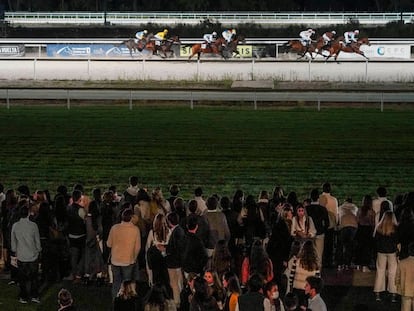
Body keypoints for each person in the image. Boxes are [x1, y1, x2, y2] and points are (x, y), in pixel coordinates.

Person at [107, 208, 141, 299]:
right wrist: (134, 258)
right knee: (127, 284)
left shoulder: (114, 228)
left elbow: (108, 244)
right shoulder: (135, 229)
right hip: (128, 261)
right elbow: (138, 247)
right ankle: (126, 303)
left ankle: (115, 302)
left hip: (115, 260)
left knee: (116, 283)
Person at [11, 204, 42, 304]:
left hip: (21, 255)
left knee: (22, 278)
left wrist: (15, 251)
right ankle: (34, 295)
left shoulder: (15, 226)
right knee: (34, 277)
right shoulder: (33, 225)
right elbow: (37, 241)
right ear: (28, 214)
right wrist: (39, 250)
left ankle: (23, 296)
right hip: (32, 255)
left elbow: (13, 242)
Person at [373, 211, 399, 303]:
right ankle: (393, 293)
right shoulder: (395, 228)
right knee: (393, 272)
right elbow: (397, 240)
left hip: (381, 252)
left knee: (380, 271)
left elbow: (375, 240)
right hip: (392, 252)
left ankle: (378, 293)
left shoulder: (379, 227)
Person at [319, 182, 338, 268]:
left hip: (321, 224)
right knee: (329, 244)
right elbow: (335, 213)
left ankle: (322, 260)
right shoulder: (334, 200)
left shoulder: (320, 198)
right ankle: (328, 261)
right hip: (331, 224)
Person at [396, 242, 414, 311]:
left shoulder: (402, 263)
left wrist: (398, 286)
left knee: (405, 308)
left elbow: (397, 277)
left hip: (405, 290)